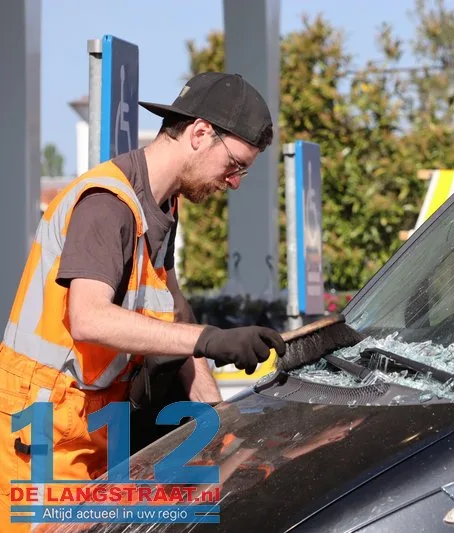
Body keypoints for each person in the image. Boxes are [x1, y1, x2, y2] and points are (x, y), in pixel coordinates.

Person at [0, 72, 286, 531]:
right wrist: (211, 339)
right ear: (199, 133)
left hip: (92, 420)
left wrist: (219, 424)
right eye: (235, 164)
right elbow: (88, 318)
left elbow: (175, 315)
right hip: (41, 425)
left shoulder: (164, 207)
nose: (234, 182)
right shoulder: (108, 204)